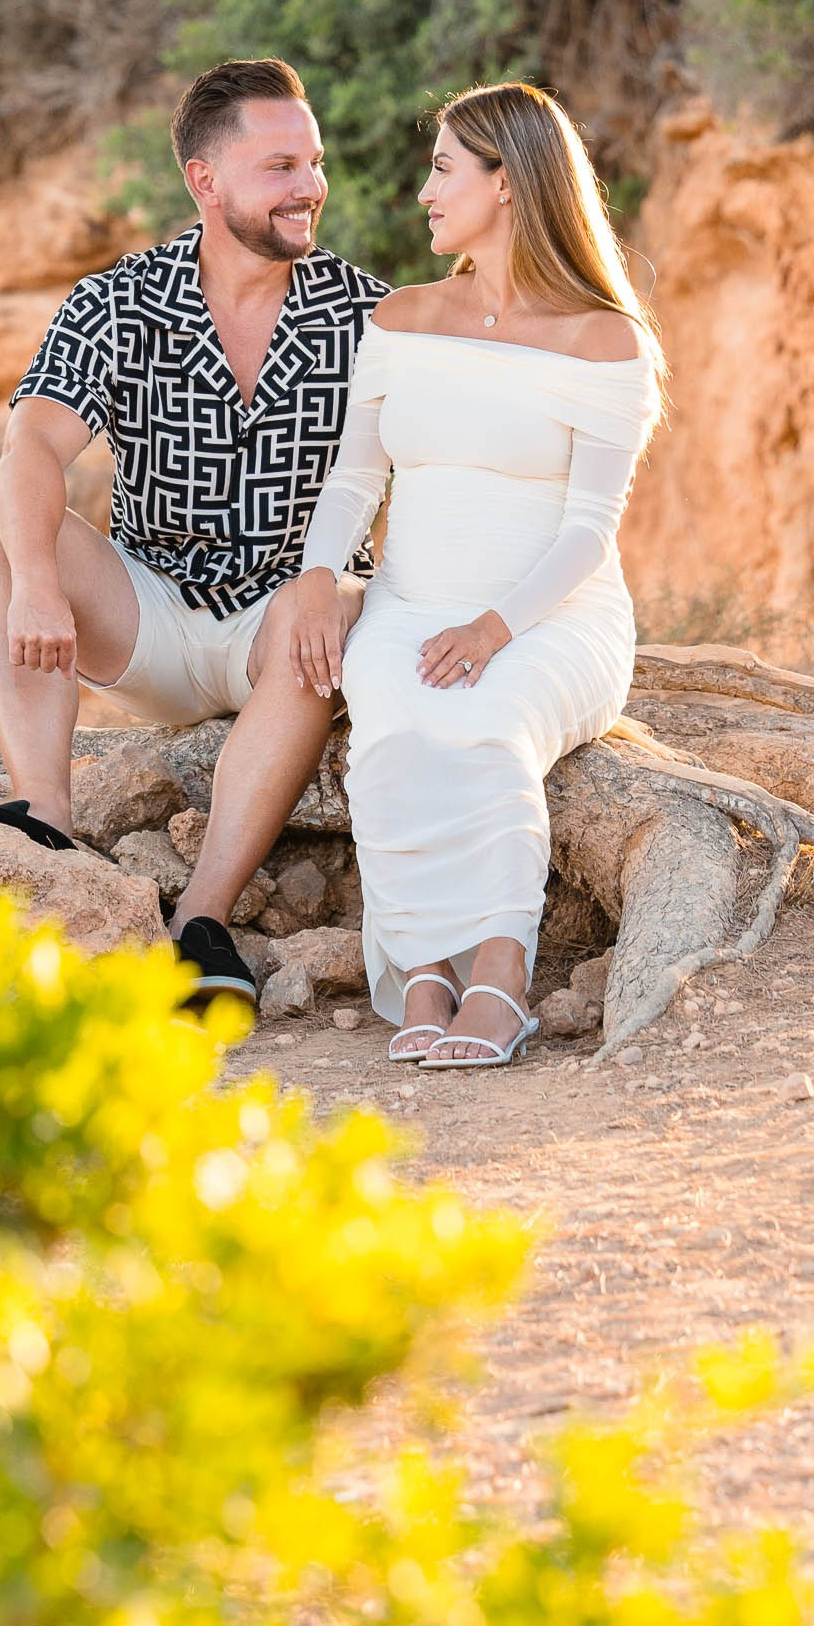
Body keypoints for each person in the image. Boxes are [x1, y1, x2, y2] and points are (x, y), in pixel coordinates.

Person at [0, 57, 386, 1011]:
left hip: (288, 620)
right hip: (152, 608)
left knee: (324, 610)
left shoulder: (368, 317)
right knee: (0, 536)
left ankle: (201, 927)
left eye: (314, 163)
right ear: (205, 181)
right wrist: (43, 586)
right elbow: (34, 445)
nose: (311, 188)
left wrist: (342, 586)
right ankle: (44, 816)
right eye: (280, 168)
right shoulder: (120, 302)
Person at [286, 81, 662, 1068]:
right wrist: (320, 579)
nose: (421, 191)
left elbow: (586, 533)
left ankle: (497, 980)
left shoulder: (604, 339)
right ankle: (422, 975)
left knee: (484, 727)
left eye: (443, 167)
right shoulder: (402, 319)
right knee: (395, 727)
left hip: (550, 618)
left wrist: (492, 632)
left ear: (507, 184)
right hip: (408, 602)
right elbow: (356, 475)